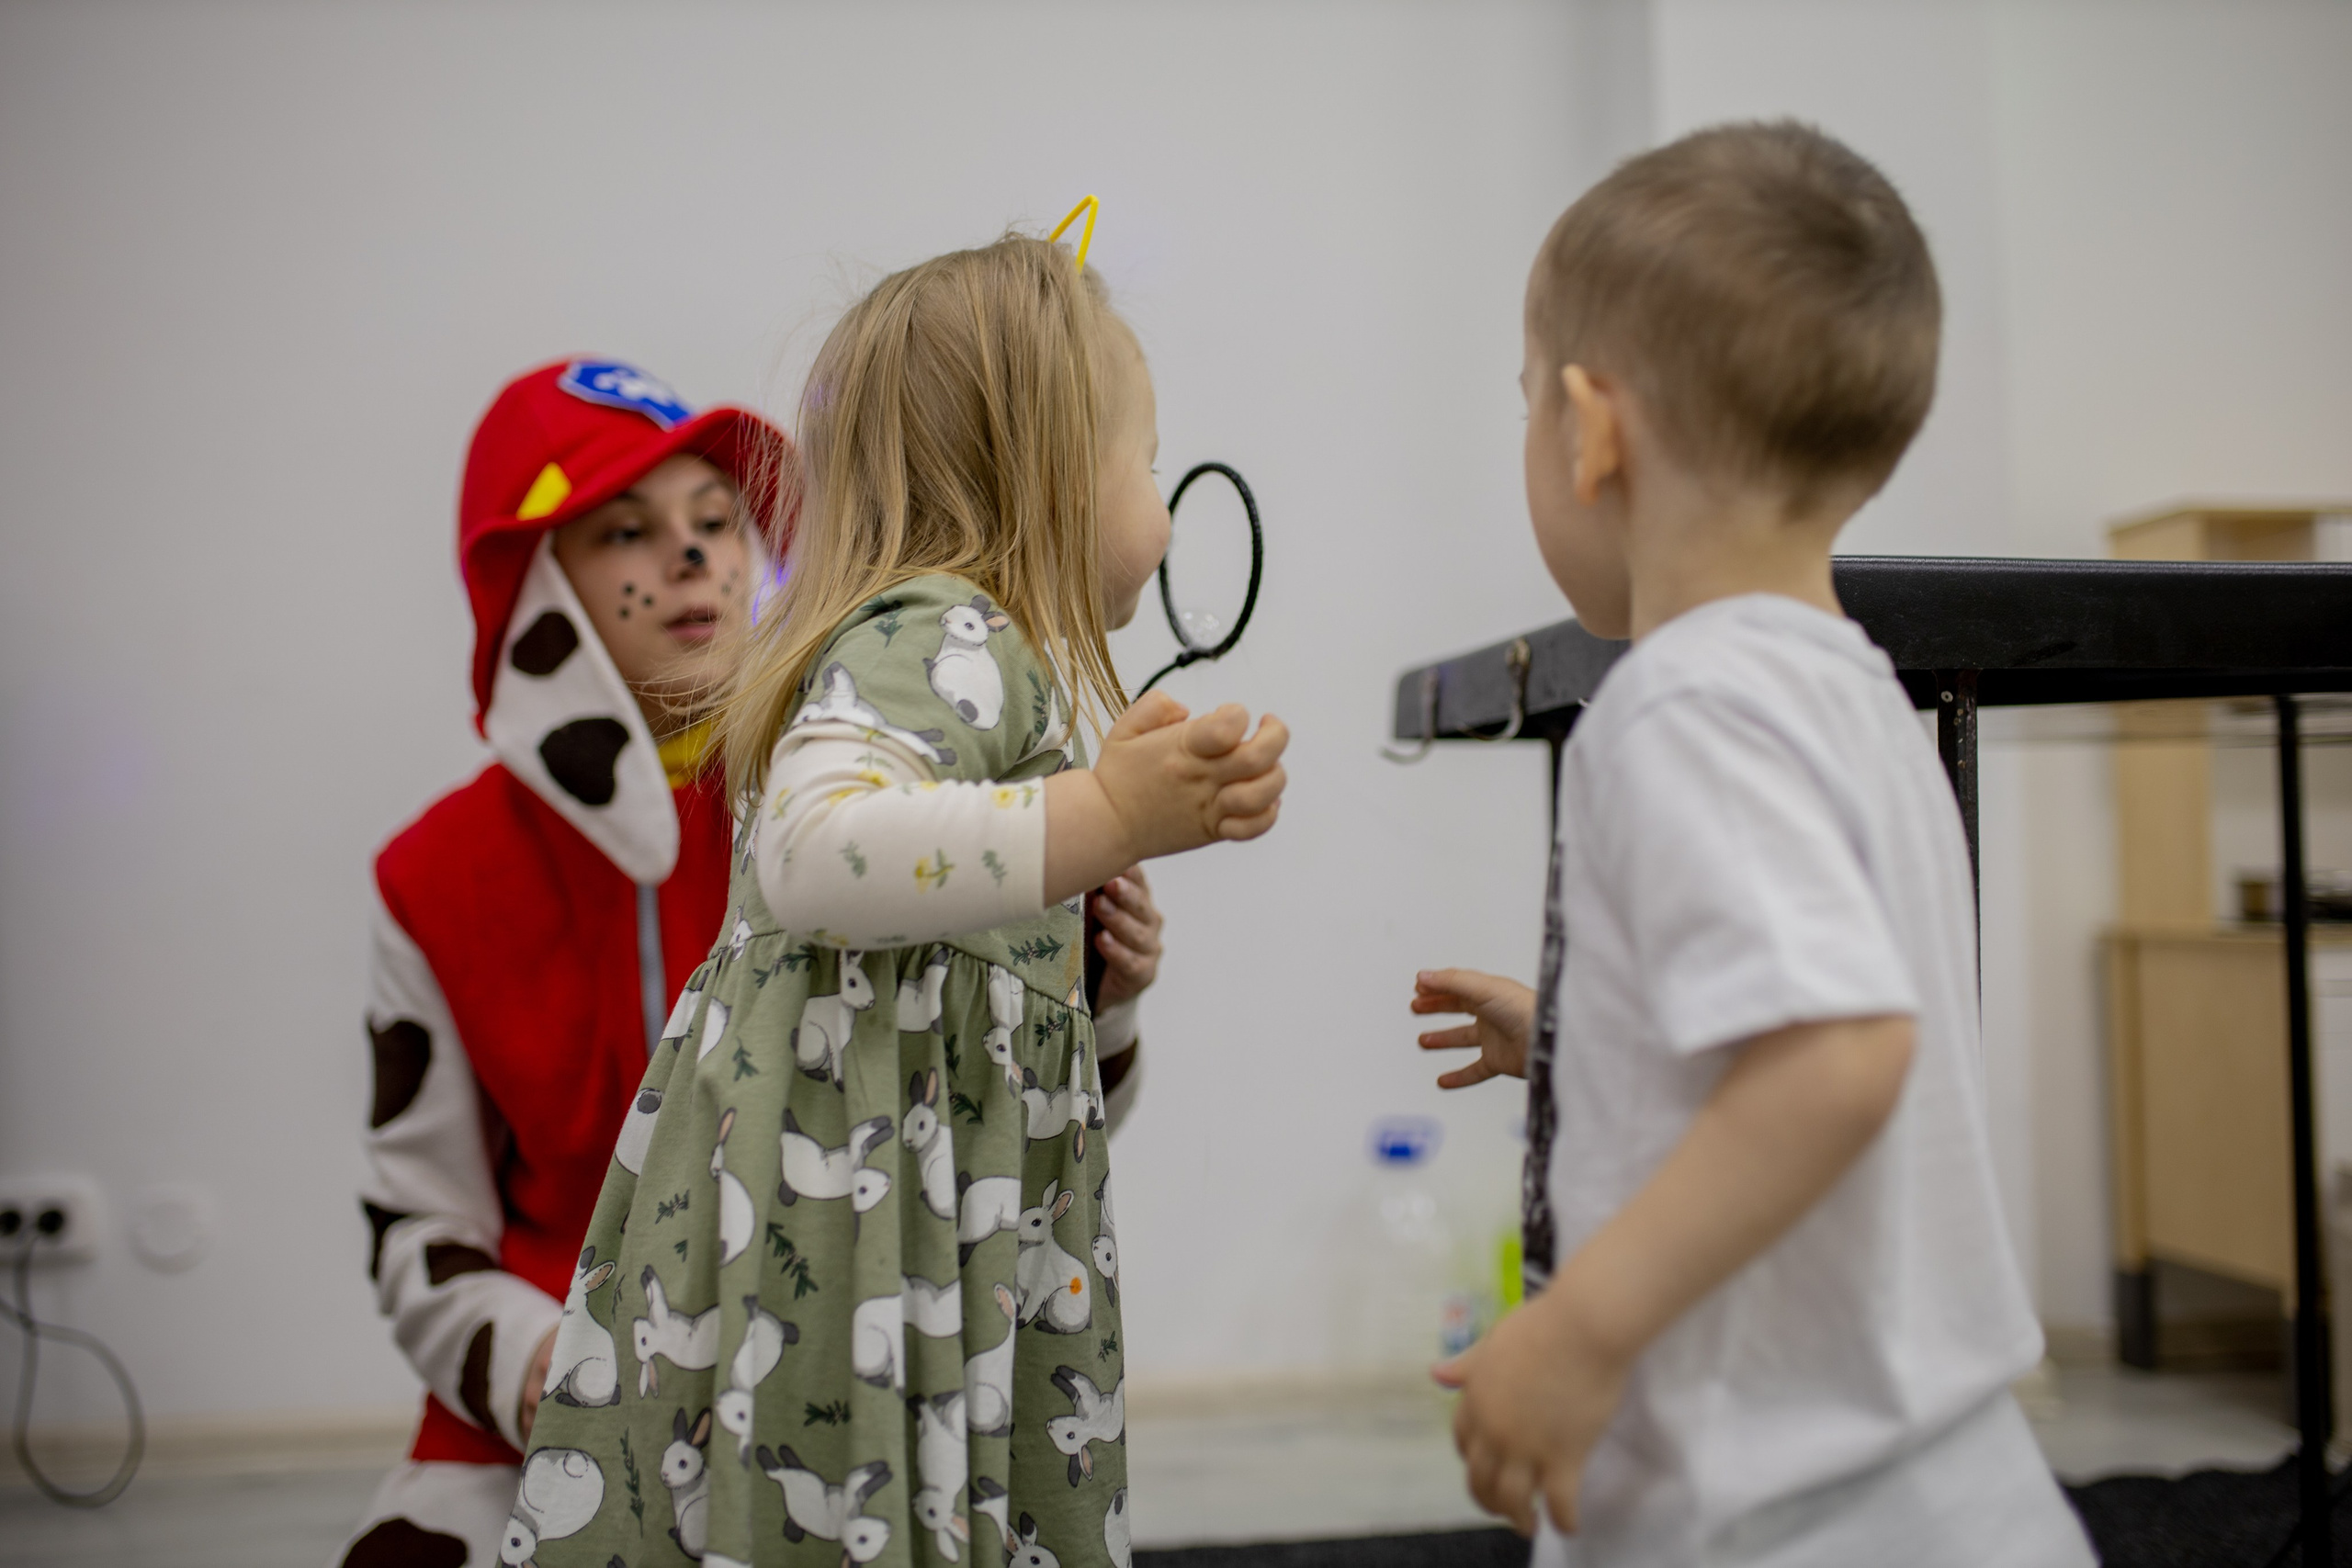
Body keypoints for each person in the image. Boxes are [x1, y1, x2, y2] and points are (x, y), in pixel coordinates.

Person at [519, 232, 1286, 1568]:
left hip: (933, 1251)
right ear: (1051, 474)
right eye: (1146, 460)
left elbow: (1034, 1099)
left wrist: (1109, 998)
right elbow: (813, 854)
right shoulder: (944, 635)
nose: (1158, 499)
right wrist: (1102, 815)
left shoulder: (990, 702)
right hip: (853, 1266)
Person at [343, 357, 1170, 1567]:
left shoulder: (873, 797)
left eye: (717, 521)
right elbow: (418, 1225)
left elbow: (1017, 1112)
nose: (693, 559)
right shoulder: (436, 875)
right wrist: (549, 1368)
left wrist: (1109, 1003)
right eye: (627, 530)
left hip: (829, 1345)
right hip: (539, 1400)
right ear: (538, 594)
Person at [1411, 124, 2095, 1567]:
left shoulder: (1683, 711)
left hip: (1779, 1506)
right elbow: (1827, 1024)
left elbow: (1839, 1057)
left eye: (1527, 401)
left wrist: (1580, 1331)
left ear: (1593, 432)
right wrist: (1589, 1042)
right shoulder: (1851, 696)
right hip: (1934, 1476)